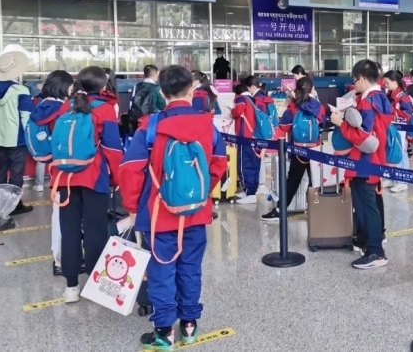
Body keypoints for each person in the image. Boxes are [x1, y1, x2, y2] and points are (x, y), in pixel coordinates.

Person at [120, 65, 227, 350]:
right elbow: (219, 164)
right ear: (192, 90)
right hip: (196, 212)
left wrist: (132, 206)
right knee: (190, 267)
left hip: (158, 214)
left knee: (162, 271)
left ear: (161, 92)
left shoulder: (149, 127)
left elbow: (131, 170)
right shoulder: (208, 125)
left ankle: (164, 331)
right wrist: (197, 192)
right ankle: (189, 324)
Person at [49, 66, 123, 303]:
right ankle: (94, 283)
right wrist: (116, 179)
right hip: (94, 176)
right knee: (95, 230)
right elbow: (113, 149)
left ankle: (71, 287)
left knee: (69, 230)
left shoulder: (66, 107)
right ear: (103, 86)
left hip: (64, 178)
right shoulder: (105, 109)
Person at [330, 59, 392, 270]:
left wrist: (340, 123)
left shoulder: (367, 102)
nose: (354, 83)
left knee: (366, 207)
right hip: (375, 160)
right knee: (370, 203)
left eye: (355, 79)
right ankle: (367, 241)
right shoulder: (381, 98)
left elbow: (362, 136)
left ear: (363, 79)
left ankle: (376, 252)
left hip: (364, 162)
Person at [27, 70, 74, 276]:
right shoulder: (63, 110)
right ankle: (63, 259)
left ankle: (58, 258)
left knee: (58, 214)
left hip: (53, 169)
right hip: (67, 168)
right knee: (67, 216)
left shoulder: (40, 107)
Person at [261, 76, 325, 221]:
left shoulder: (294, 107)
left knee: (293, 181)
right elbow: (322, 125)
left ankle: (280, 210)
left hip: (298, 150)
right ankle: (314, 210)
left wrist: (288, 103)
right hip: (315, 149)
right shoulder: (319, 107)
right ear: (312, 89)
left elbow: (284, 127)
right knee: (315, 181)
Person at [0, 51, 35, 215]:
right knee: (16, 173)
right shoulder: (21, 90)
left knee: (0, 170)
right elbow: (26, 117)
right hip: (16, 138)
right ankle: (13, 206)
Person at [383, 70, 413, 193]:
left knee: (400, 153)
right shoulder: (389, 95)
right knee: (391, 151)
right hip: (391, 127)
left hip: (401, 129)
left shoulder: (403, 97)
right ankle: (392, 178)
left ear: (395, 82)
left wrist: (392, 112)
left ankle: (402, 182)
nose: (385, 85)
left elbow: (407, 115)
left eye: (387, 82)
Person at [230, 82, 259, 204]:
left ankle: (250, 193)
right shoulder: (253, 100)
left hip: (245, 137)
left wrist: (232, 111)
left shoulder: (241, 99)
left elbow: (238, 111)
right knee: (253, 164)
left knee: (244, 164)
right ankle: (250, 190)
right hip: (254, 137)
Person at [129, 65, 166, 133]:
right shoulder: (157, 88)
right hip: (151, 122)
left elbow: (131, 103)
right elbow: (162, 106)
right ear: (155, 74)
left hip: (136, 121)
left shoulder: (136, 86)